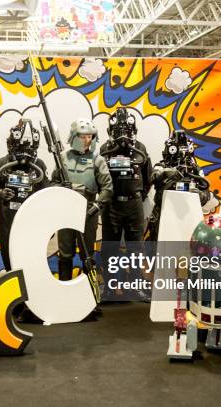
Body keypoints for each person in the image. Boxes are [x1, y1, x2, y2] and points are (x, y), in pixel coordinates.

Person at [99, 108, 152, 299]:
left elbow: (148, 178)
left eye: (127, 128)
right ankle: (110, 287)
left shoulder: (141, 149)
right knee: (110, 247)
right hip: (112, 205)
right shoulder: (105, 149)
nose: (123, 133)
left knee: (136, 248)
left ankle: (135, 287)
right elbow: (100, 177)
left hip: (134, 205)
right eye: (118, 129)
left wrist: (138, 195)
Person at [52, 118, 113, 281]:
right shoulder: (62, 158)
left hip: (88, 211)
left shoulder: (97, 160)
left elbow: (108, 188)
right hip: (66, 211)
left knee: (87, 254)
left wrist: (95, 207)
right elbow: (53, 182)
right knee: (65, 254)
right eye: (82, 136)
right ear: (74, 136)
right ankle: (64, 293)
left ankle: (89, 298)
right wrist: (61, 188)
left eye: (90, 136)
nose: (87, 140)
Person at [0, 119, 50, 271]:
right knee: (10, 260)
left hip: (31, 221)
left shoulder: (39, 165)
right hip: (7, 220)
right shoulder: (1, 163)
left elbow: (47, 193)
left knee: (30, 262)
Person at [146, 129, 218, 242]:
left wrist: (200, 195)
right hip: (163, 214)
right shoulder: (161, 166)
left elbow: (205, 190)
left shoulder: (194, 169)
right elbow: (153, 178)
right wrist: (168, 174)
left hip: (188, 214)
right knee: (158, 246)